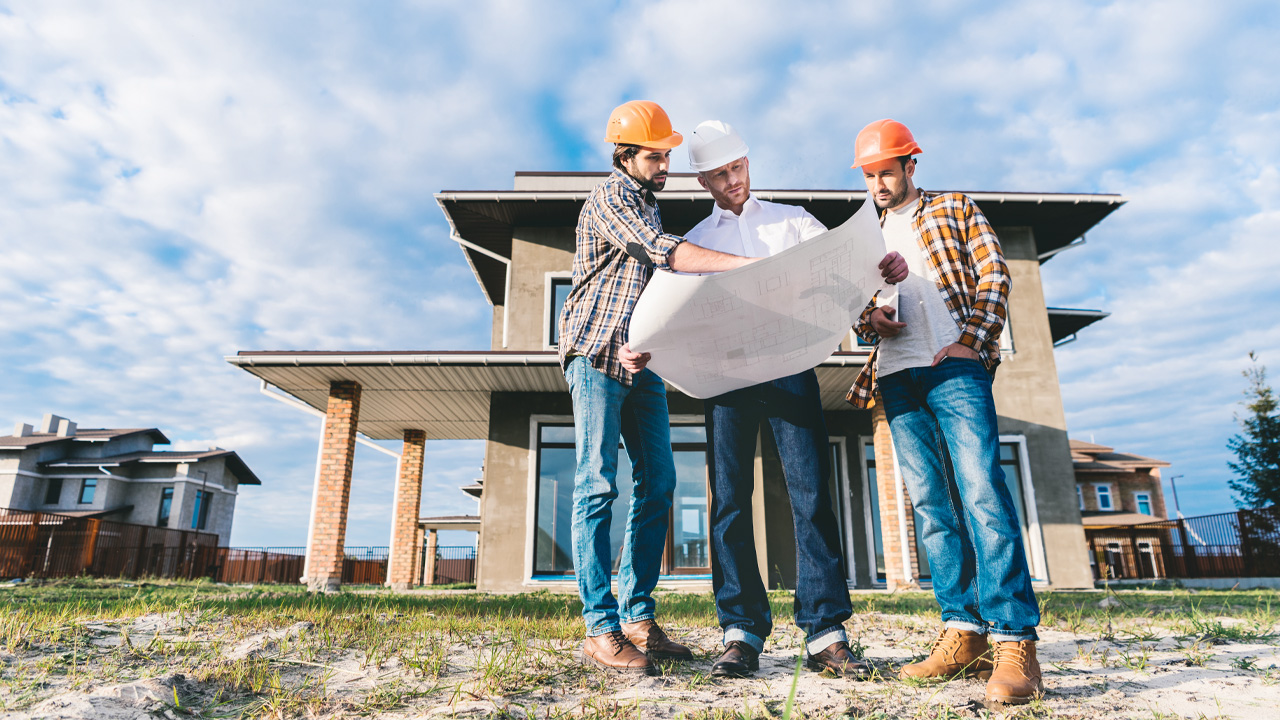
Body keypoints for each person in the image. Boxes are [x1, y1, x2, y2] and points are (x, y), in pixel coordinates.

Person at [682, 120, 907, 679]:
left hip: (790, 367)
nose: (730, 181)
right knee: (729, 500)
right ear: (704, 179)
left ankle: (825, 633)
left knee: (810, 493)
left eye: (736, 169)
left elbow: (842, 277)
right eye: (717, 175)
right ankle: (741, 632)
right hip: (728, 375)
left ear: (748, 164)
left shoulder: (792, 223)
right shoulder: (695, 241)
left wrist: (873, 299)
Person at [845, 119, 1042, 704]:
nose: (879, 182)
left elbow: (994, 274)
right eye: (870, 174)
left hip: (955, 367)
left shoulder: (953, 207)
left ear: (910, 166)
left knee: (981, 491)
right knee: (930, 505)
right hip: (897, 375)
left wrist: (973, 340)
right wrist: (871, 321)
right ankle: (963, 631)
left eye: (887, 170)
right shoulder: (868, 234)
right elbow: (858, 312)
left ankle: (1015, 640)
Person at [557, 101, 757, 676]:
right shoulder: (613, 198)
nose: (666, 162)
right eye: (655, 154)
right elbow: (664, 254)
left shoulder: (647, 201)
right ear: (625, 155)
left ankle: (638, 617)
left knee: (661, 480)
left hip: (636, 360)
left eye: (668, 153)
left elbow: (656, 291)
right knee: (597, 483)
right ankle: (601, 627)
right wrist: (742, 266)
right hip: (595, 353)